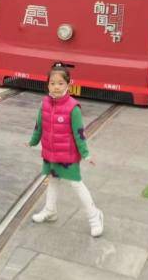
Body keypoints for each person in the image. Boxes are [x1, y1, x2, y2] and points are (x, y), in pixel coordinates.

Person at [27, 62, 103, 237]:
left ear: (68, 84)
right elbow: (39, 126)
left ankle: (95, 216)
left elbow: (79, 133)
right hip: (50, 153)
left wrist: (86, 153)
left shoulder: (73, 107)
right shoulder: (44, 104)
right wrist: (32, 141)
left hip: (68, 156)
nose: (56, 87)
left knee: (76, 184)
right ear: (47, 85)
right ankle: (50, 211)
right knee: (53, 180)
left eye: (60, 83)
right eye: (52, 83)